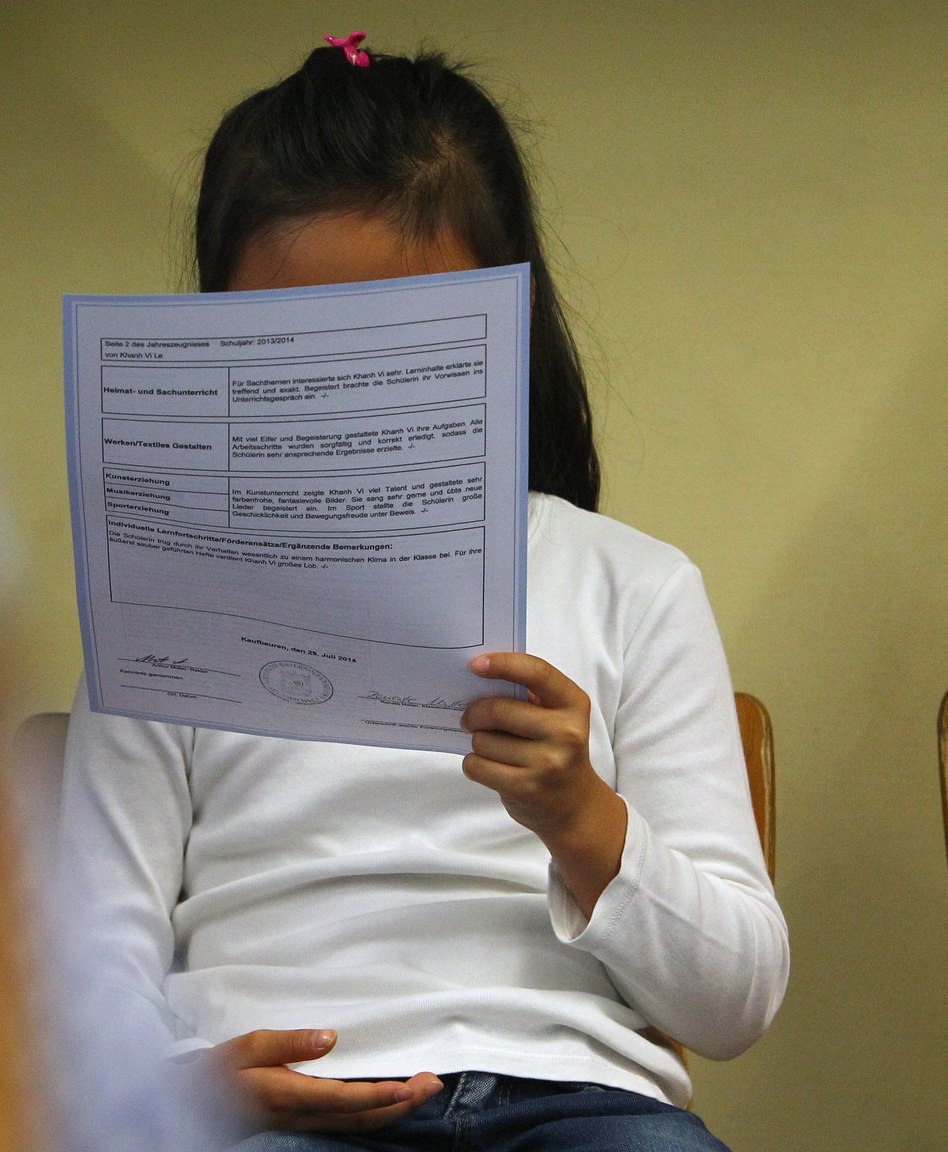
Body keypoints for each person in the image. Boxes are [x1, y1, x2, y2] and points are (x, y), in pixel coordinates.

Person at [57, 37, 788, 1152]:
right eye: (284, 350)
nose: (342, 401)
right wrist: (179, 1081)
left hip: (570, 1100)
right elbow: (89, 959)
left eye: (408, 350)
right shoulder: (165, 607)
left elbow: (732, 1004)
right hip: (269, 1106)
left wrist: (578, 818)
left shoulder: (631, 584)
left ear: (509, 327)